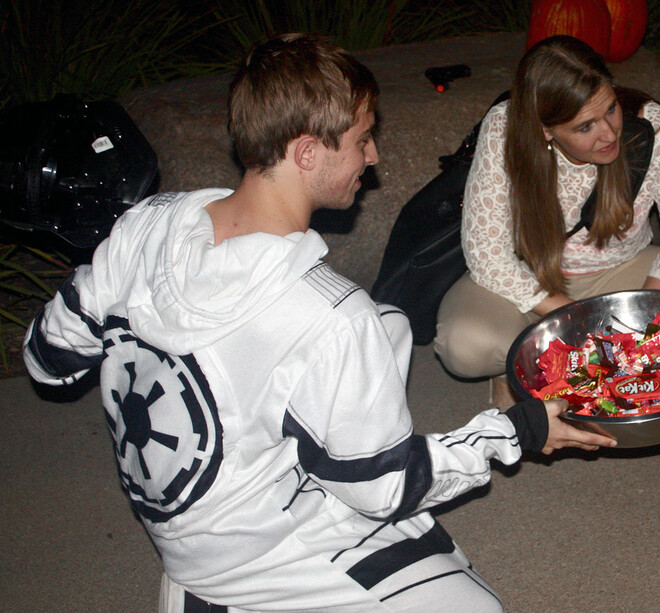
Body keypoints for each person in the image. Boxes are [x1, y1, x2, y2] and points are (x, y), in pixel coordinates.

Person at [22, 33, 615, 612]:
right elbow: (385, 488)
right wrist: (518, 430)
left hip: (186, 537)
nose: (374, 156)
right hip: (262, 555)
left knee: (381, 336)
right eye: (363, 139)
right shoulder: (330, 317)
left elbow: (47, 362)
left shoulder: (146, 224)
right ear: (307, 153)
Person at [434, 36, 660, 403]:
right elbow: (488, 255)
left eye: (610, 108)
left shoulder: (656, 129)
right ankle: (513, 369)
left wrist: (644, 318)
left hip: (623, 268)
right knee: (465, 346)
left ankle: (551, 359)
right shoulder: (505, 129)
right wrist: (577, 316)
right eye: (585, 127)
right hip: (528, 275)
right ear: (545, 130)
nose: (609, 133)